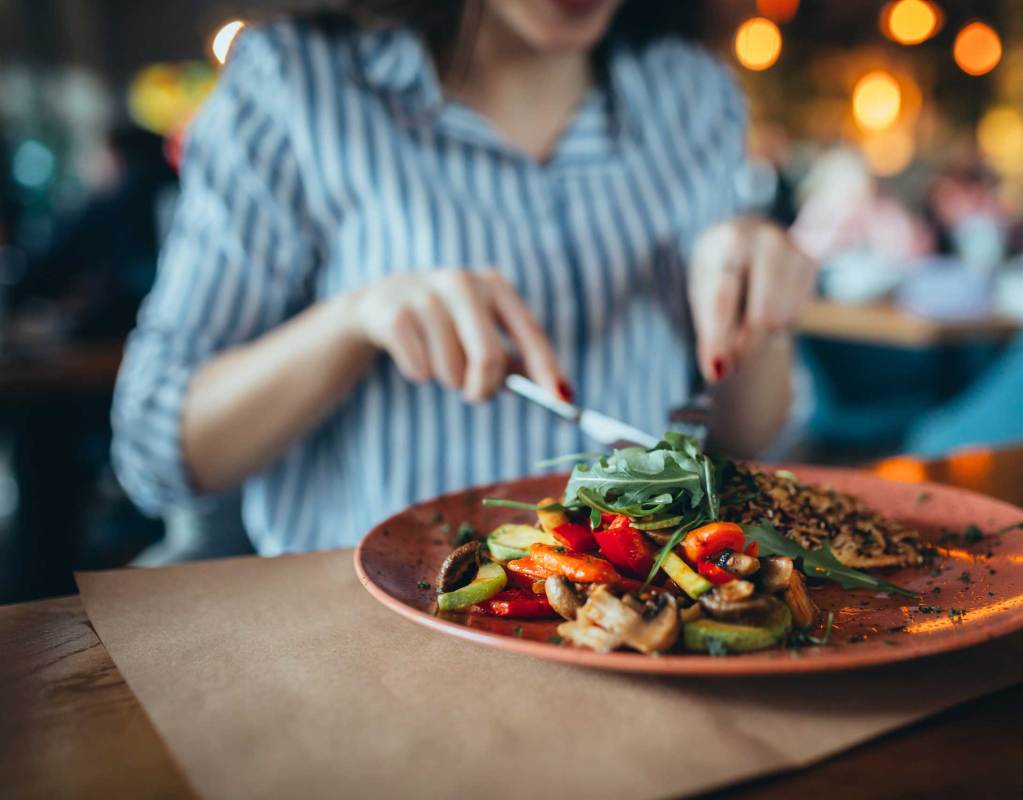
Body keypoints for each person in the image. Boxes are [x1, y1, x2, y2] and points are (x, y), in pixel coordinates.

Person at [112, 0, 815, 555]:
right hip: (376, 650)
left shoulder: (694, 92)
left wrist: (762, 313)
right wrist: (354, 320)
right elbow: (154, 450)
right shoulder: (297, 83)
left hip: (654, 625)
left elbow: (749, 437)